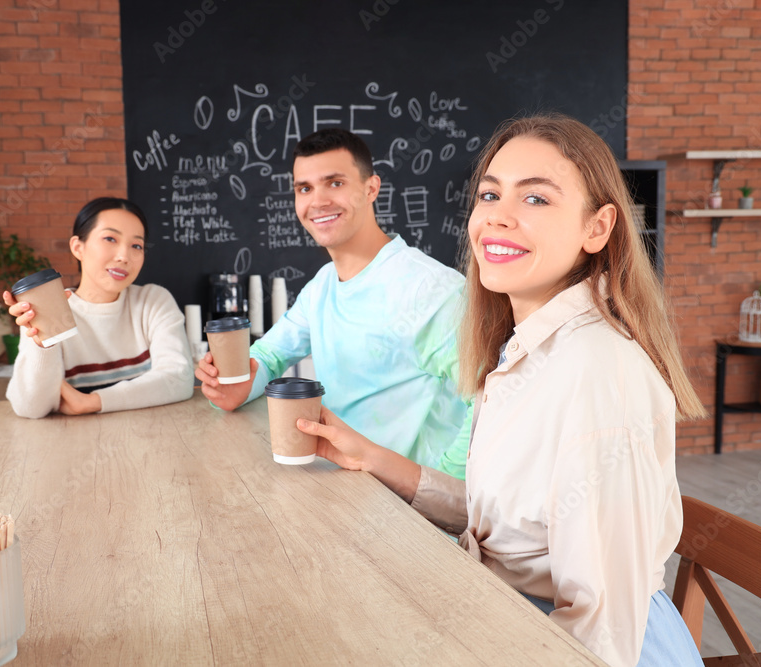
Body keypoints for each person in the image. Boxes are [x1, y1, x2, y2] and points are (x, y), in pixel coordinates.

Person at [295, 114, 707, 667]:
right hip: (512, 623)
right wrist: (373, 459)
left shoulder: (597, 373)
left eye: (536, 200)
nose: (498, 218)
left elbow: (602, 626)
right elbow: (510, 524)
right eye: (490, 194)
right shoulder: (526, 349)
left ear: (598, 227)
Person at [195, 129, 471, 476]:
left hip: (408, 511)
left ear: (371, 188)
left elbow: (489, 398)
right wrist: (234, 384)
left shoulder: (431, 289)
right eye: (304, 189)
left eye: (335, 183)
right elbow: (270, 355)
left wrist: (442, 488)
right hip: (344, 487)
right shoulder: (323, 285)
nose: (318, 201)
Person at [5, 197, 194, 418]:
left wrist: (93, 402)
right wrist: (43, 345)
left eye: (136, 245)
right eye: (110, 238)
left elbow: (178, 378)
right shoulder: (50, 311)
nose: (124, 256)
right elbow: (32, 409)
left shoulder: (153, 302)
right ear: (78, 247)